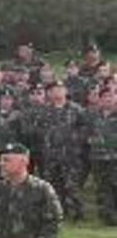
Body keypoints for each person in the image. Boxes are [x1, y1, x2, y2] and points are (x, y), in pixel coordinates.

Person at [35, 83, 87, 221]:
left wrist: (75, 142)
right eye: (53, 90)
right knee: (53, 185)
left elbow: (85, 129)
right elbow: (38, 130)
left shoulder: (76, 109)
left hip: (70, 155)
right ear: (49, 93)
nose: (57, 92)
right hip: (50, 155)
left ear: (66, 91)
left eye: (60, 89)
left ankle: (78, 213)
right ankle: (58, 212)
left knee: (72, 186)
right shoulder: (45, 110)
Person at [89, 94, 117, 226]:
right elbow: (86, 133)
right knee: (101, 186)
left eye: (111, 97)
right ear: (100, 100)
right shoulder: (93, 116)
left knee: (114, 185)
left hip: (114, 158)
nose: (108, 99)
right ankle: (105, 215)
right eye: (105, 97)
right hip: (97, 158)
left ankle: (113, 215)